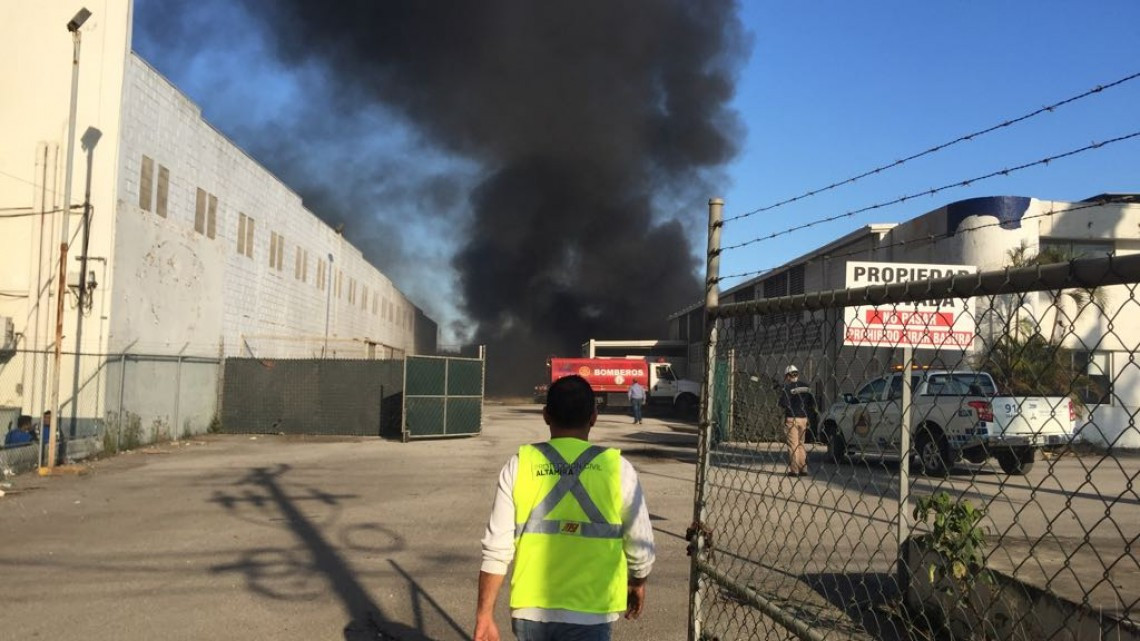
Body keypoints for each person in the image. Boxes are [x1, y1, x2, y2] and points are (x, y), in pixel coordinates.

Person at [475, 375, 655, 641]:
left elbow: (496, 549)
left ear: (546, 415)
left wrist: (484, 615)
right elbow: (640, 544)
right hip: (592, 611)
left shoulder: (519, 465)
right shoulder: (619, 469)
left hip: (531, 612)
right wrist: (638, 580)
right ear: (594, 417)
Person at [778, 365, 815, 476]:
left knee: (793, 445)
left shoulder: (787, 388)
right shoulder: (807, 387)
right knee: (801, 444)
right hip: (803, 418)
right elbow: (812, 403)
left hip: (791, 419)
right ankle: (803, 468)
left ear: (788, 376)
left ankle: (794, 470)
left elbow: (783, 403)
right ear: (797, 374)